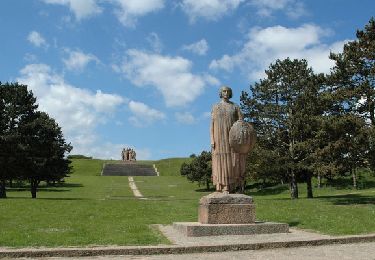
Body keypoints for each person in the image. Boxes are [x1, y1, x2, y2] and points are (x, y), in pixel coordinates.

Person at [210, 86, 244, 193]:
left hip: (231, 137)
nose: (226, 93)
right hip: (219, 137)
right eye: (224, 91)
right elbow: (212, 124)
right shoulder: (215, 107)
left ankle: (230, 186)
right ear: (220, 93)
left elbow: (241, 122)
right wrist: (212, 139)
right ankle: (220, 186)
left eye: (228, 91)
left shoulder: (235, 107)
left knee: (231, 160)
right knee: (219, 160)